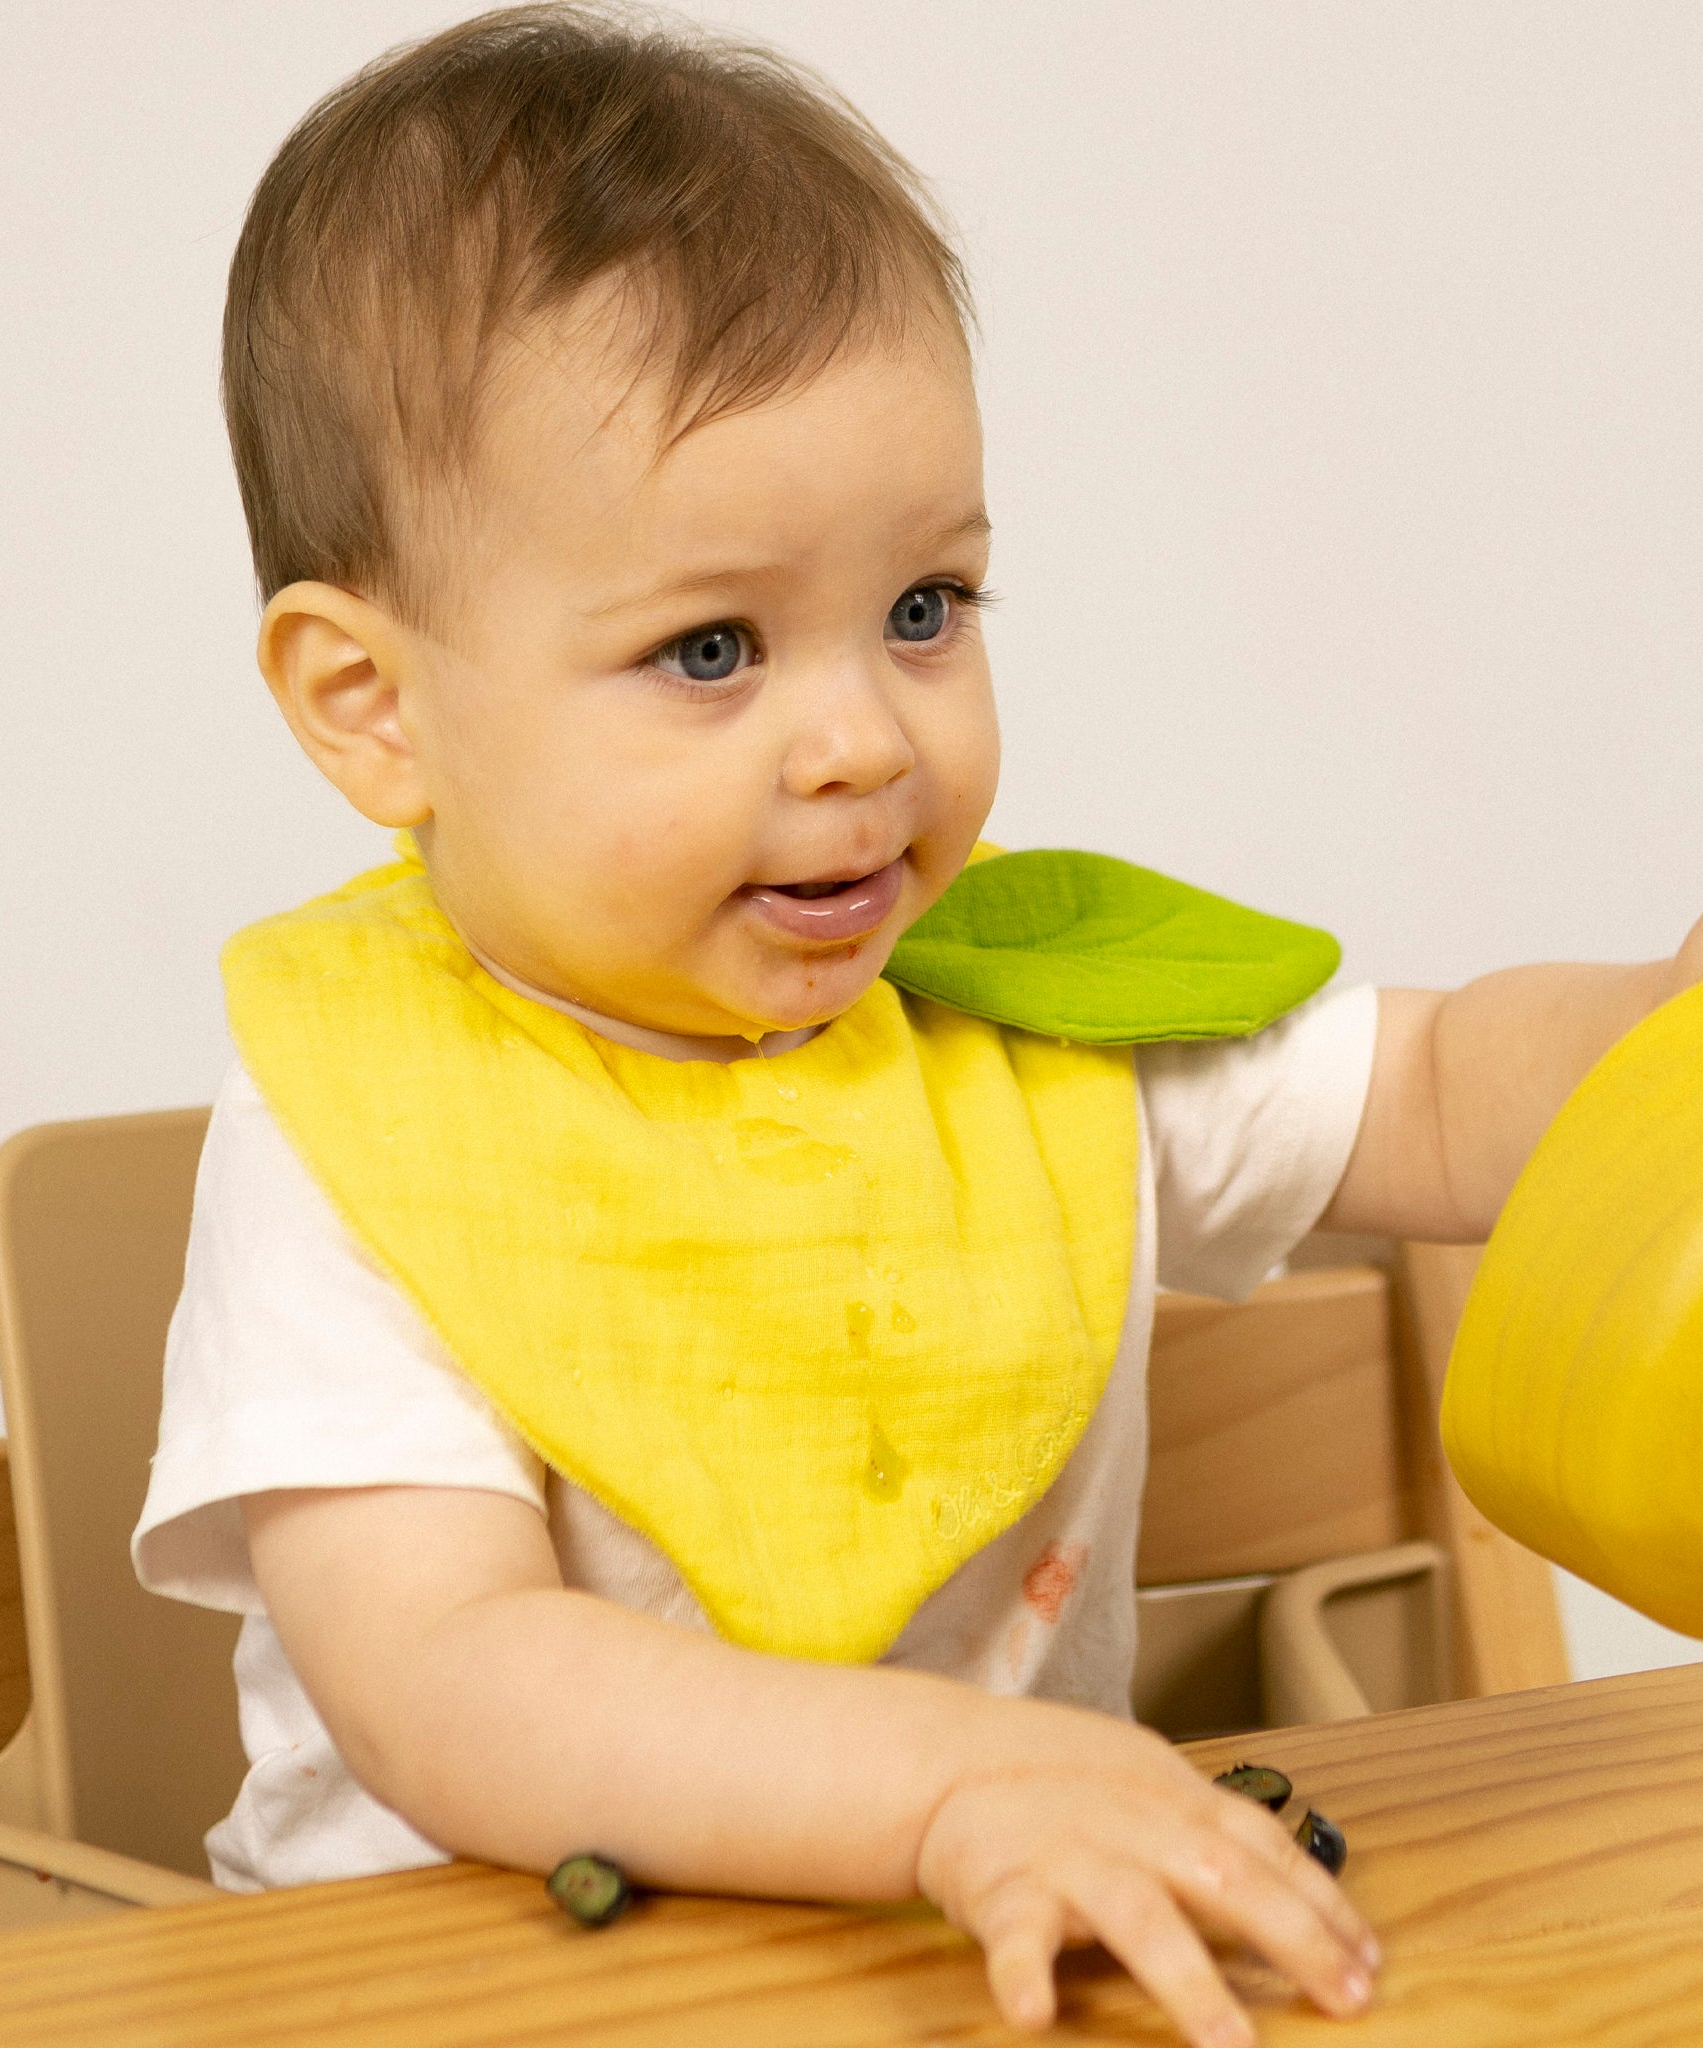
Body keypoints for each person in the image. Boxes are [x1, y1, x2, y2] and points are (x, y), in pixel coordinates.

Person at [130, 8, 1701, 2041]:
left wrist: (1668, 1025)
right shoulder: (364, 1132)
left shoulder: (1013, 1022)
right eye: (711, 649)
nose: (864, 737)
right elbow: (454, 1678)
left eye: (923, 608)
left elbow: (1428, 1084)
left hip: (989, 1966)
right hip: (463, 1993)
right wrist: (957, 1780)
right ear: (376, 705)